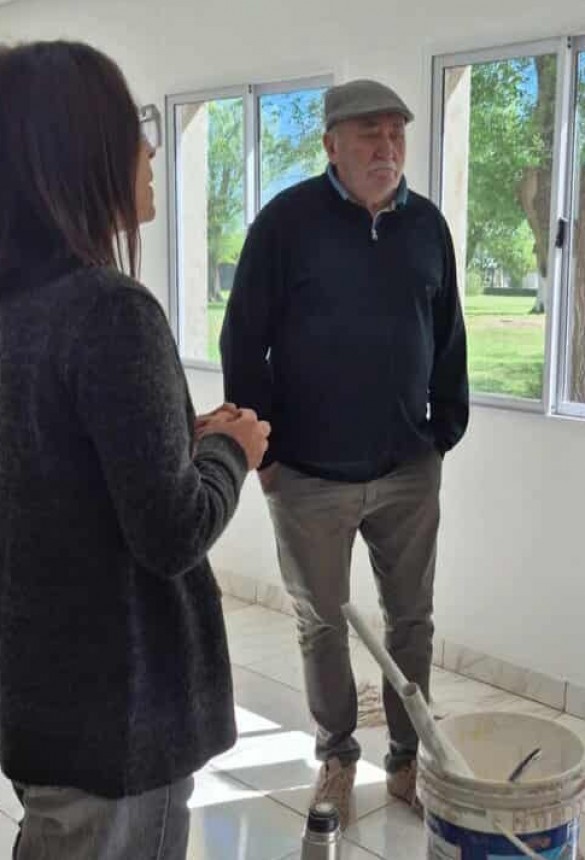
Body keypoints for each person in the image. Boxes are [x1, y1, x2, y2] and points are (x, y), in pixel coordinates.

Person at [0, 41, 271, 860]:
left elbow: (51, 467)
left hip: (39, 692)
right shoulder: (108, 309)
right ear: (76, 151)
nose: (150, 151)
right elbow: (171, 530)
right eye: (133, 127)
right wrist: (230, 450)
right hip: (115, 709)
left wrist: (170, 441)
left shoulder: (22, 305)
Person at [220, 78, 468, 823]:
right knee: (322, 623)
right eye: (368, 134)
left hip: (406, 469)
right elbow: (242, 340)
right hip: (306, 476)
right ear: (330, 143)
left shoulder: (426, 226)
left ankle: (406, 759)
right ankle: (335, 756)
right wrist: (264, 455)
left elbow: (450, 334)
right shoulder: (286, 223)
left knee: (411, 620)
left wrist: (444, 433)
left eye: (396, 133)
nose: (386, 148)